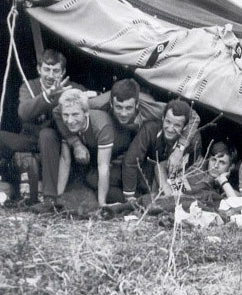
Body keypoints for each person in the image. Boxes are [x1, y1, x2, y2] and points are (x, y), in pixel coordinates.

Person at [55, 78, 201, 202]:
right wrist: (76, 143)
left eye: (128, 108)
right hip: (109, 145)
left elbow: (193, 116)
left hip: (139, 150)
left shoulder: (150, 107)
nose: (123, 113)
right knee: (94, 178)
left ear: (137, 104)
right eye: (119, 107)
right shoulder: (97, 104)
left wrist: (179, 149)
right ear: (111, 104)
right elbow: (57, 111)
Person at [0, 49, 83, 210]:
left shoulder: (69, 87)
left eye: (56, 71)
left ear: (63, 72)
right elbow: (23, 112)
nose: (51, 76)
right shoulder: (28, 86)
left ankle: (49, 198)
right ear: (39, 69)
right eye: (47, 69)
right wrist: (47, 97)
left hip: (53, 141)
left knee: (47, 134)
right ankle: (6, 183)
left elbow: (86, 98)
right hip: (29, 139)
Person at [121, 99, 201, 205]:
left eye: (177, 125)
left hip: (171, 178)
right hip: (146, 173)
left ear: (185, 127)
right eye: (168, 122)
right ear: (162, 118)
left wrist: (172, 196)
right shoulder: (150, 129)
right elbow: (131, 161)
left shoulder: (193, 141)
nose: (170, 128)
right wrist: (129, 197)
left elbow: (186, 172)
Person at [56, 89, 115, 208]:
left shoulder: (101, 125)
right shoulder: (67, 124)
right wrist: (59, 197)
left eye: (75, 114)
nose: (70, 120)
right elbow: (65, 160)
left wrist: (101, 204)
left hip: (118, 158)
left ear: (86, 113)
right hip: (95, 158)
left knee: (93, 180)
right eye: (66, 115)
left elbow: (103, 167)